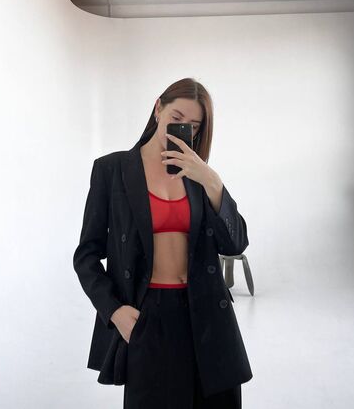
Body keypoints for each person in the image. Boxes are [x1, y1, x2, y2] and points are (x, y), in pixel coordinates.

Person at [73, 77, 253, 409]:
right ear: (158, 108)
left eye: (193, 126)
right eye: (176, 118)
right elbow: (85, 257)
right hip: (148, 315)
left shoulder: (199, 177)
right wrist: (114, 311)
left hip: (207, 317)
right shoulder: (112, 170)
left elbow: (235, 243)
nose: (183, 129)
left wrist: (213, 182)